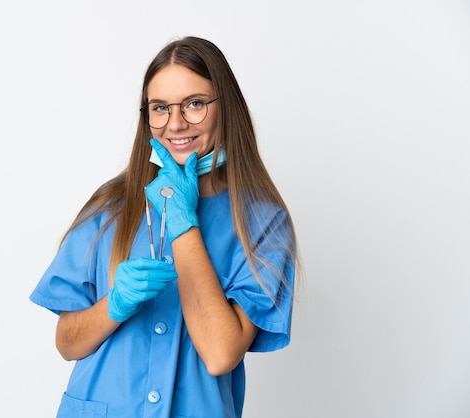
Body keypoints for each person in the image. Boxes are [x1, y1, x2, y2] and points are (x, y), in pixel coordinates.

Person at [30, 36, 298, 418]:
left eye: (194, 104)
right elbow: (67, 343)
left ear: (226, 108)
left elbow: (221, 353)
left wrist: (182, 221)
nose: (175, 124)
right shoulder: (111, 206)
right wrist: (114, 305)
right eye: (160, 108)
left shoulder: (262, 222)